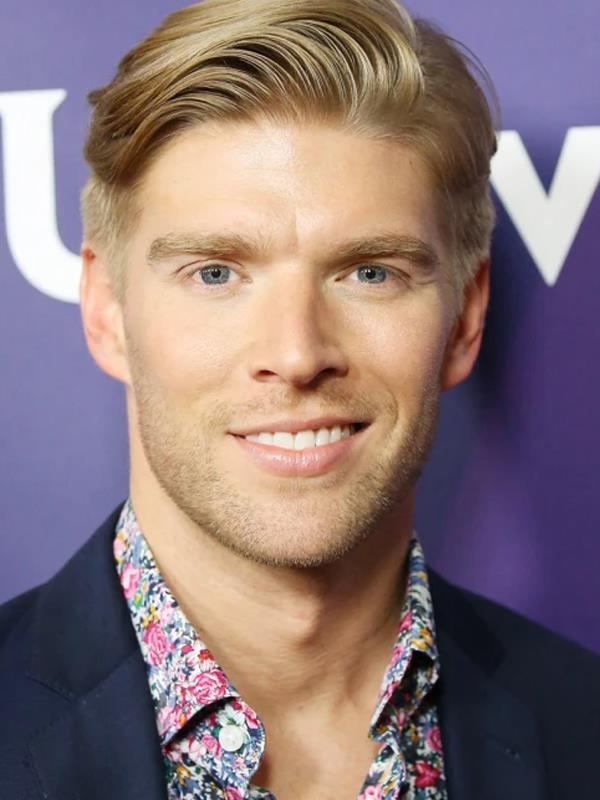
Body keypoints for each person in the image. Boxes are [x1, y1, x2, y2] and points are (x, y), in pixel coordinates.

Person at [1, 0, 598, 797]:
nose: (296, 354)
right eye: (216, 273)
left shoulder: (582, 725)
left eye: (370, 273)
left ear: (465, 318)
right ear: (106, 311)